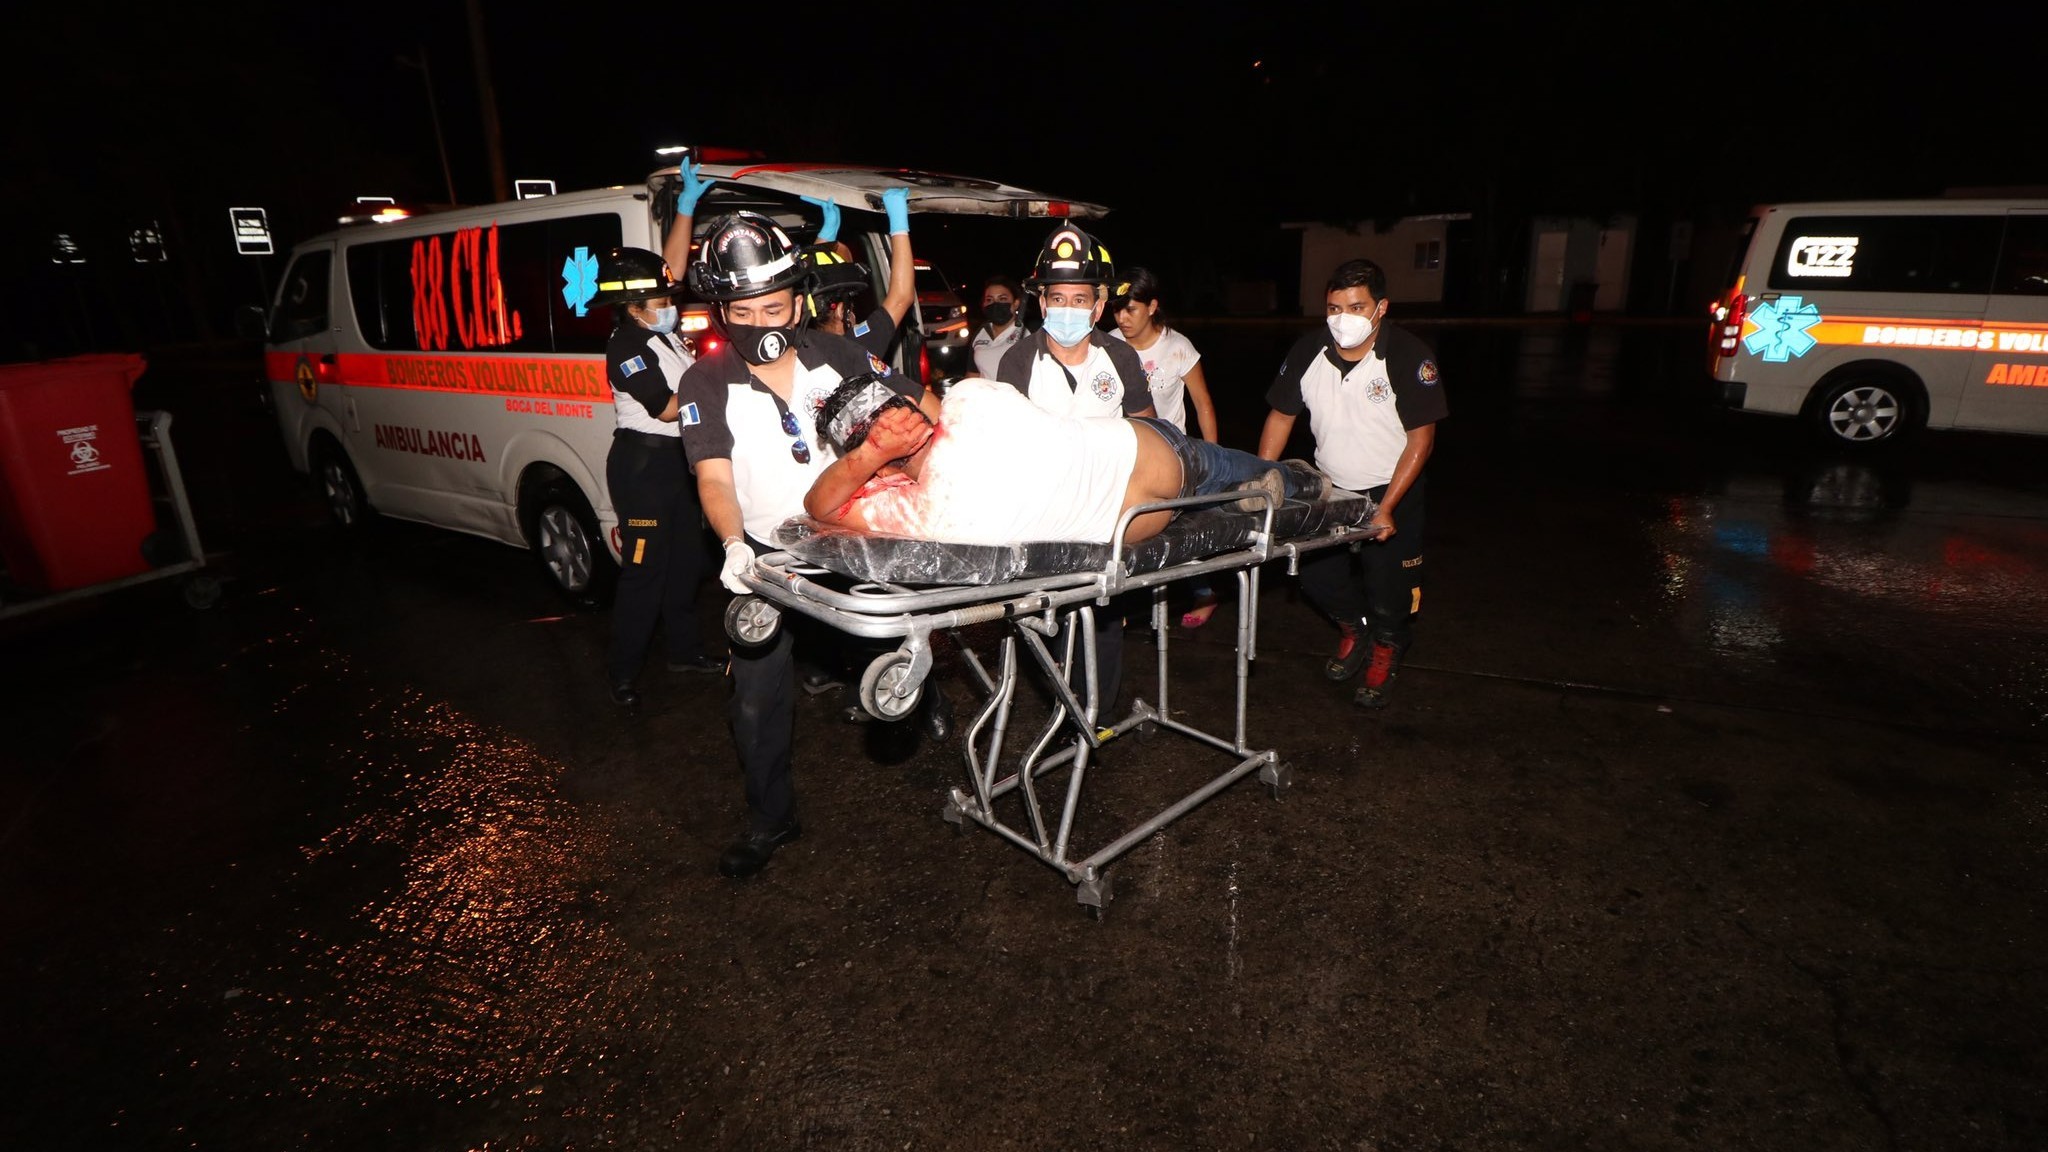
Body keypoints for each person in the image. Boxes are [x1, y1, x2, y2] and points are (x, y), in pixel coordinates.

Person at [675, 211, 931, 879]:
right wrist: (732, 544)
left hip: (847, 539)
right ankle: (770, 818)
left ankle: (925, 708)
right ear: (723, 310)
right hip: (763, 556)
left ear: (800, 299)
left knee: (894, 642)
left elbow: (919, 408)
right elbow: (712, 477)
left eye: (779, 306)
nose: (766, 323)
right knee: (756, 701)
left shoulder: (840, 354)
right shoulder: (704, 382)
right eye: (748, 311)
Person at [804, 373, 1321, 545]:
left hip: (1154, 476)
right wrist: (884, 448)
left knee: (1251, 479)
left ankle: (1295, 485)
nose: (900, 423)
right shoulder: (967, 400)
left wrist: (875, 453)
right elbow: (818, 507)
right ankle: (1289, 486)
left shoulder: (916, 505)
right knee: (1247, 481)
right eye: (884, 427)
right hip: (1155, 472)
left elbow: (824, 504)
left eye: (896, 412)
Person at [1258, 258, 1446, 709]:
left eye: (1356, 307)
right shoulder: (1308, 351)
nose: (1343, 319)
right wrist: (1260, 478)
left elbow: (1422, 439)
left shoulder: (1408, 354)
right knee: (1315, 577)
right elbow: (1281, 415)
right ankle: (1354, 628)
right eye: (1334, 307)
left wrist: (1388, 507)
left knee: (1391, 587)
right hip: (1330, 489)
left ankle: (1387, 644)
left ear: (1380, 308)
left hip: (1391, 488)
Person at [994, 224, 1155, 718]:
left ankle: (1098, 719)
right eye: (1057, 297)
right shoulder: (1018, 362)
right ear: (1042, 303)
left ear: (1097, 305)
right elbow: (1007, 444)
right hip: (1046, 517)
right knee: (1051, 623)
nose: (1067, 308)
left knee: (1103, 621)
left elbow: (1148, 435)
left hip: (1110, 514)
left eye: (1079, 298)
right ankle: (1063, 711)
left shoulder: (1121, 356)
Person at [592, 247, 721, 708]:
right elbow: (666, 407)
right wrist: (715, 400)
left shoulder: (665, 338)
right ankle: (622, 673)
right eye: (660, 302)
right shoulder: (626, 346)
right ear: (633, 308)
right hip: (642, 469)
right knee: (644, 575)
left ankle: (684, 652)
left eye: (669, 300)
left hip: (677, 464)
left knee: (687, 564)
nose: (670, 308)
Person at [1110, 267, 1222, 628]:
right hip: (1124, 455)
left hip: (1173, 459)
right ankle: (1118, 606)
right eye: (1117, 310)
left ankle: (1205, 592)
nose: (1123, 319)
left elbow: (1203, 403)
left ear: (1153, 306)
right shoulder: (1108, 344)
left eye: (1132, 309)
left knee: (1185, 530)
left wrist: (1211, 456)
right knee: (1125, 531)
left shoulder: (1177, 347)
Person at [800, 189, 916, 360]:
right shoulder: (854, 347)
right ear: (840, 311)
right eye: (851, 307)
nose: (853, 312)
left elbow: (811, 281)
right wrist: (899, 227)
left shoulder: (798, 345)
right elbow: (901, 298)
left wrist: (827, 235)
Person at [968, 275, 1025, 378]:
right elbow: (973, 374)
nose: (995, 304)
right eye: (989, 300)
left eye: (1002, 299)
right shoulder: (981, 332)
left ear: (1016, 303)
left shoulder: (1027, 332)